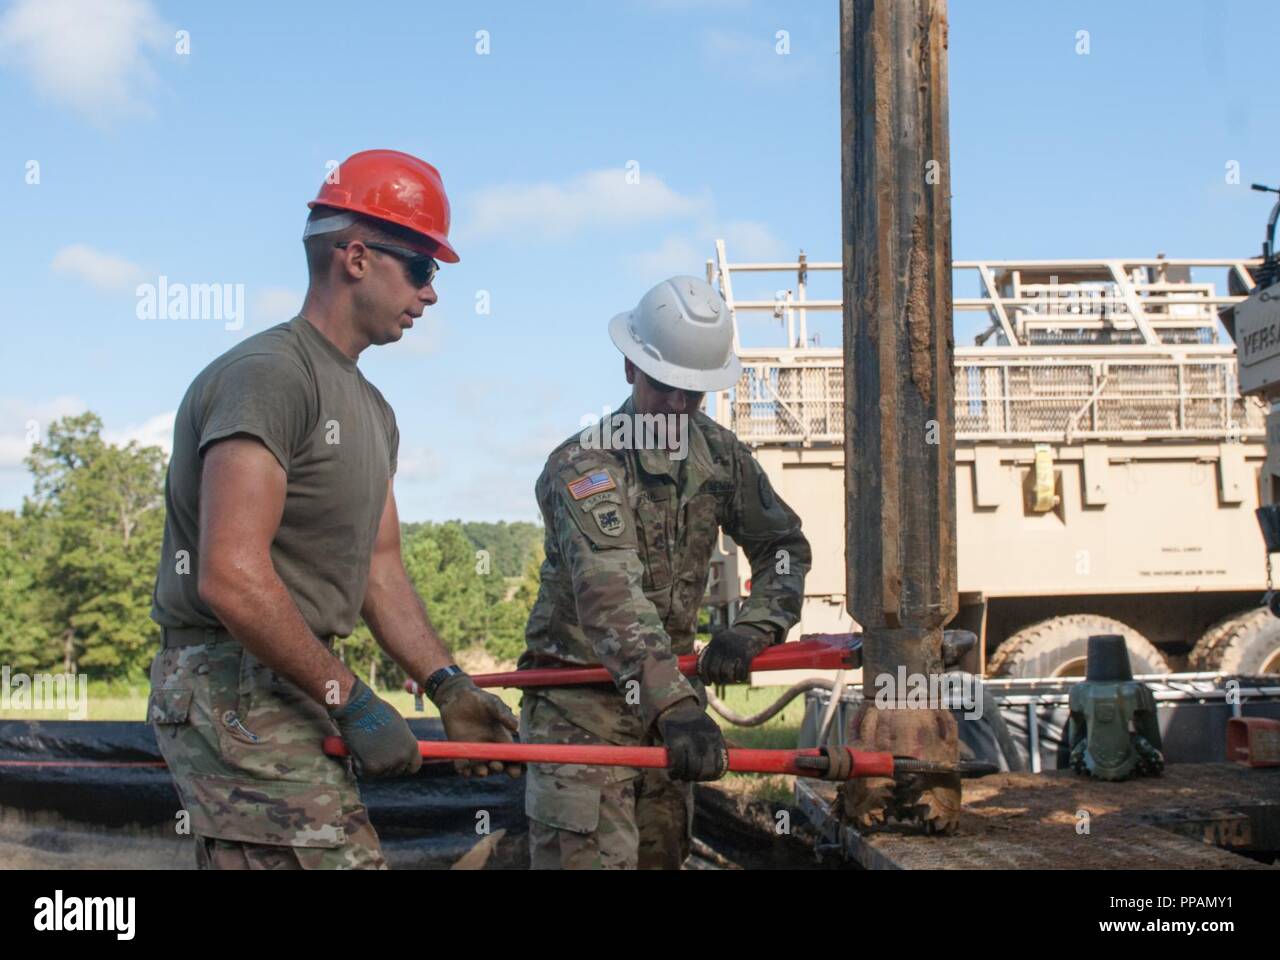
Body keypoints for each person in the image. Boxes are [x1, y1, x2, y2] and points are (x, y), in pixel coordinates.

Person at [148, 149, 518, 870]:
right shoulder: (270, 376)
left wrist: (448, 685)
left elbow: (380, 570)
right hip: (232, 683)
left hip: (295, 679)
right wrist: (352, 698)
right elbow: (228, 574)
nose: (432, 293)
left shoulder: (374, 412)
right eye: (421, 267)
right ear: (355, 256)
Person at [520, 275, 811, 869]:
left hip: (669, 703)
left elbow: (782, 545)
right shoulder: (585, 463)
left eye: (694, 393)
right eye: (666, 386)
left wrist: (755, 628)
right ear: (631, 369)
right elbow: (610, 594)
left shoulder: (720, 455)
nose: (678, 407)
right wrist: (673, 706)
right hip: (583, 710)